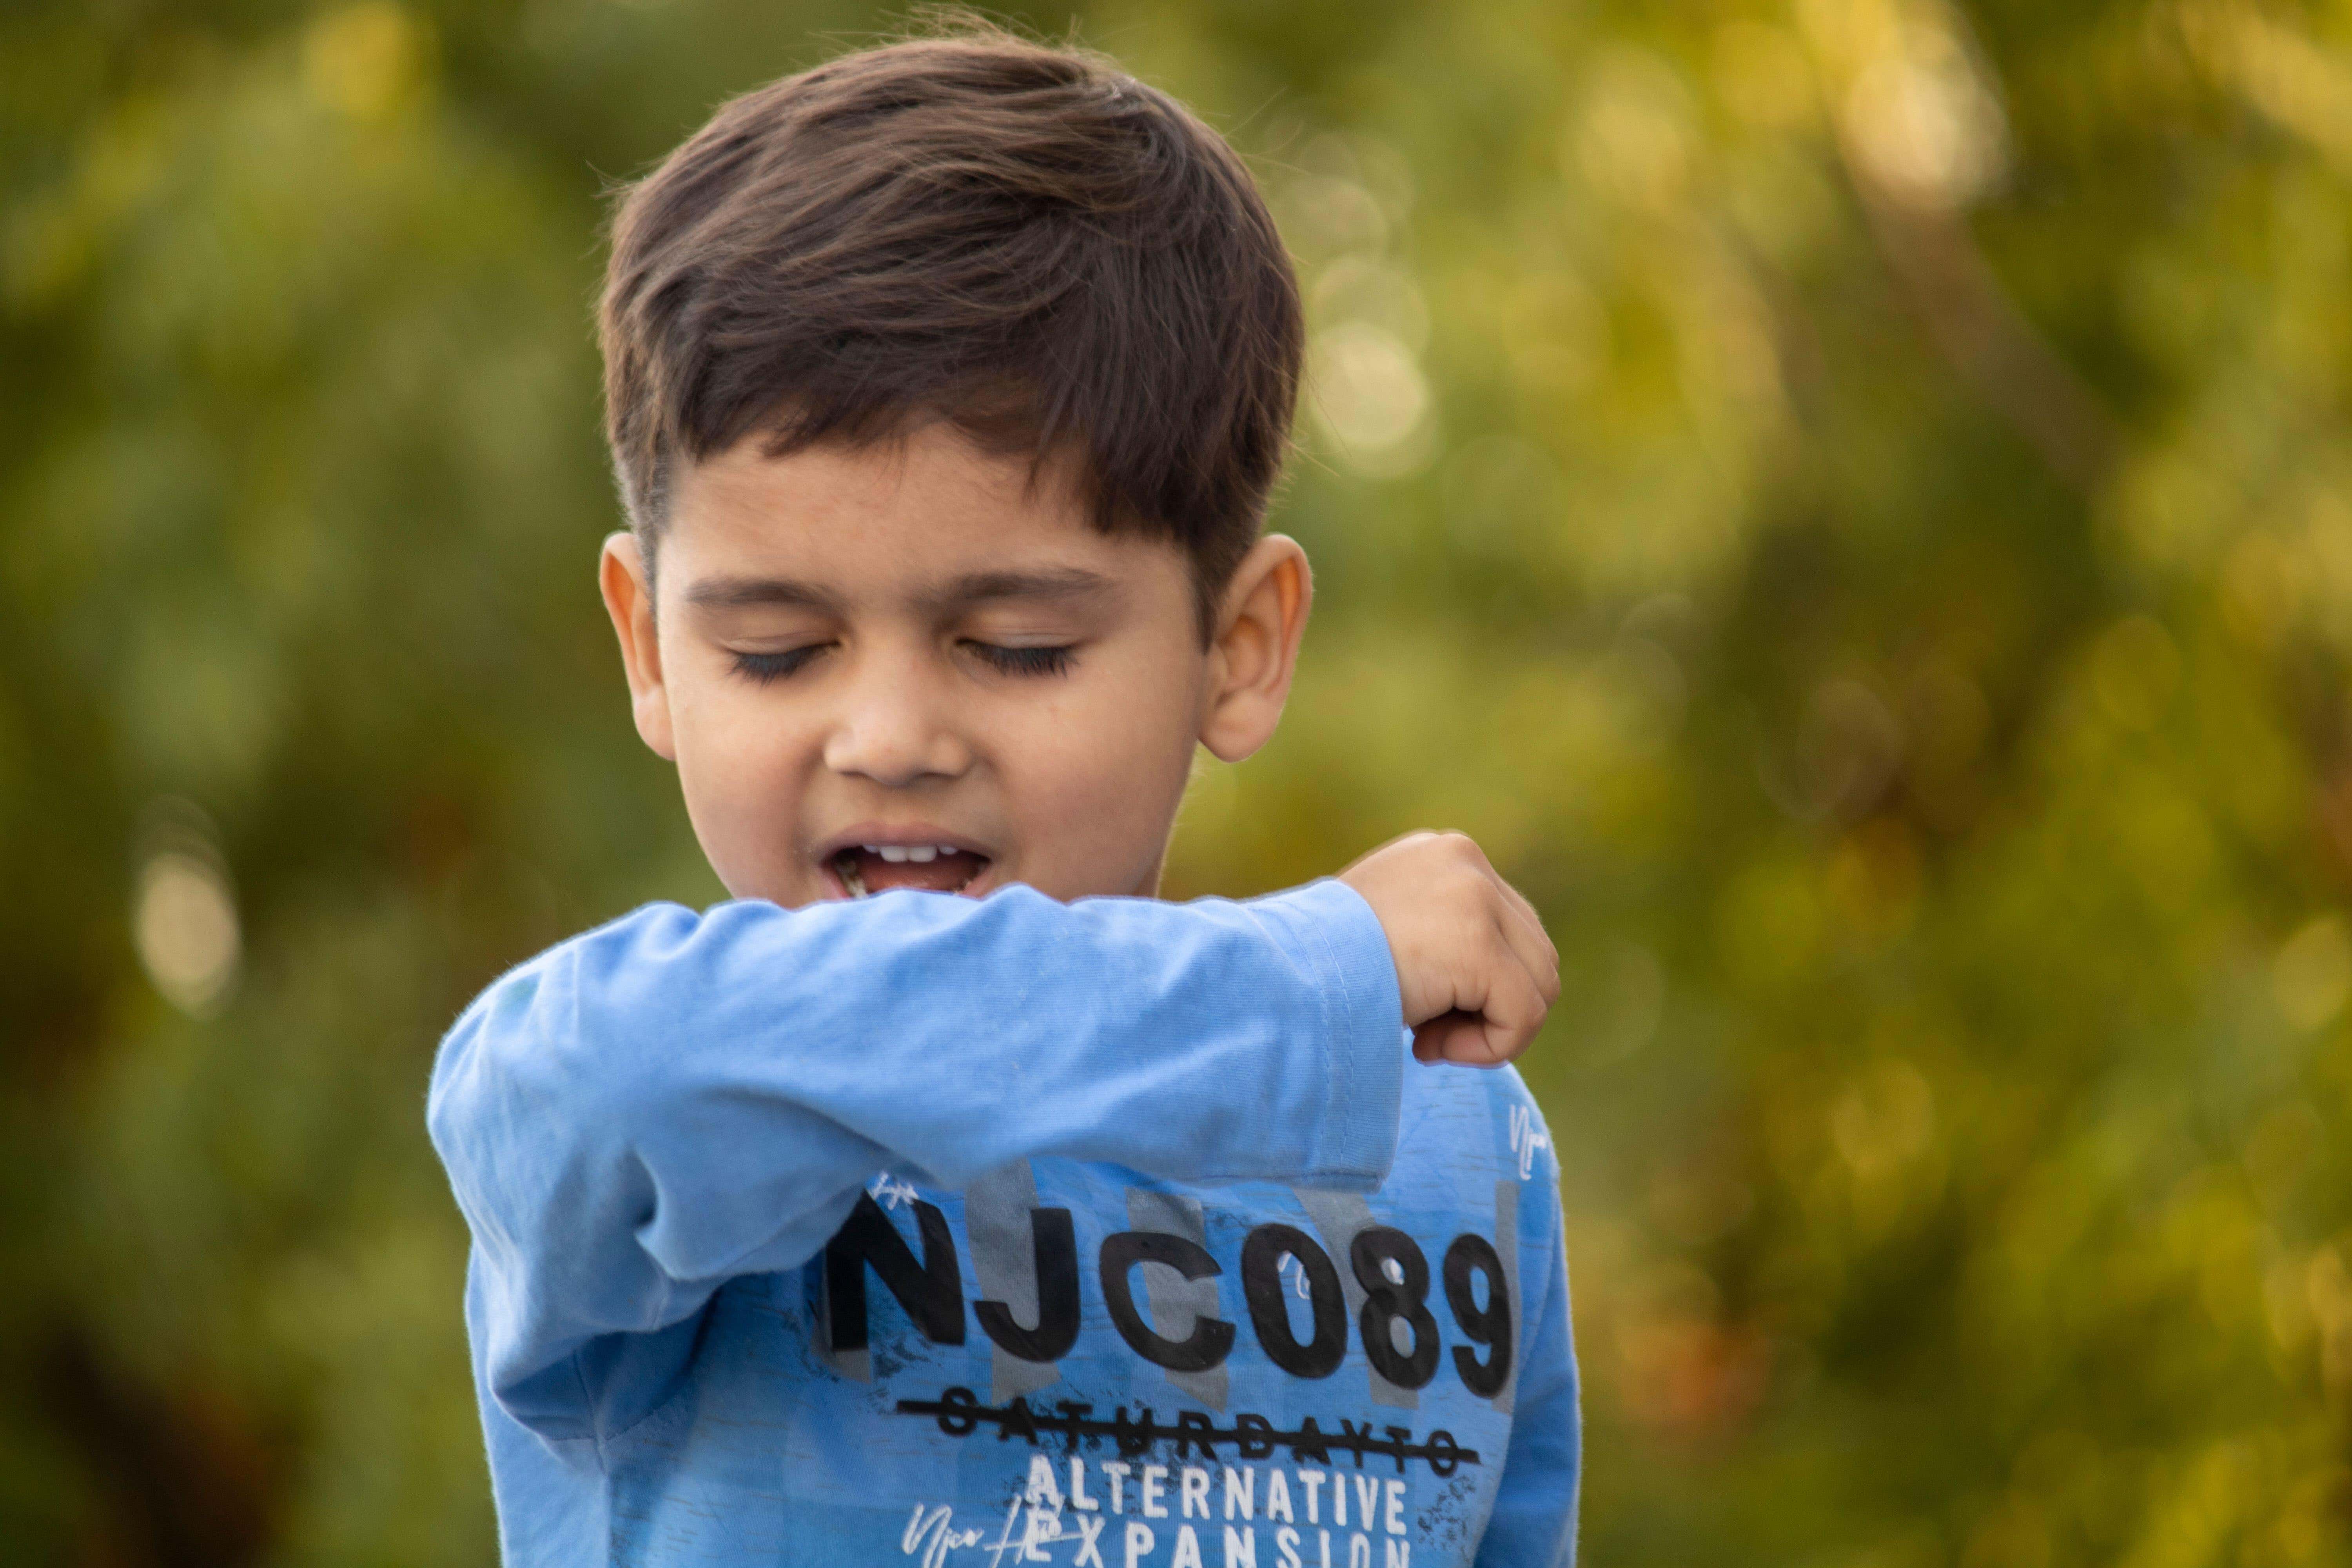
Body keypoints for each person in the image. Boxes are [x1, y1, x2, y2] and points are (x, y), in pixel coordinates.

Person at [426, 20, 1578, 1568]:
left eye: (1016, 645)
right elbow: (627, 1079)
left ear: (1235, 649)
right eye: (778, 651)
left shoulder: (1450, 1133)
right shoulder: (648, 1097)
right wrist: (1302, 985)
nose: (891, 732)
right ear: (649, 644)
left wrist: (1321, 1007)